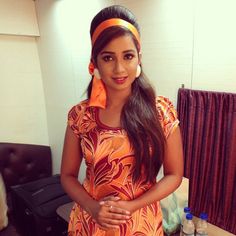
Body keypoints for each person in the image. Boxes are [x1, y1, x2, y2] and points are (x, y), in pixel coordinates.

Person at [61, 5, 183, 236]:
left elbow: (174, 175)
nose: (119, 69)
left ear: (139, 58)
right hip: (90, 223)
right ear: (94, 62)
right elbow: (67, 175)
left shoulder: (161, 111)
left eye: (128, 56)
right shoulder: (80, 116)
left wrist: (131, 206)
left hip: (140, 223)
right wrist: (93, 207)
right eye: (108, 57)